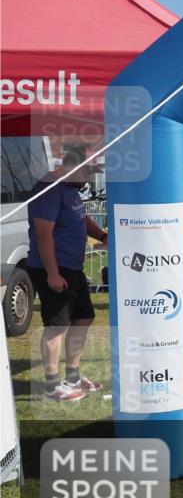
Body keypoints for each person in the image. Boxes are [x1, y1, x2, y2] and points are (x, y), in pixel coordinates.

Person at [26, 148, 108, 401]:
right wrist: (52, 273)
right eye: (86, 172)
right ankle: (51, 386)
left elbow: (81, 220)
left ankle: (72, 376)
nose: (88, 180)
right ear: (70, 165)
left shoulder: (71, 190)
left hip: (72, 268)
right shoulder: (49, 188)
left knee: (83, 317)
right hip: (52, 268)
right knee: (57, 325)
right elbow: (43, 233)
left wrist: (103, 236)